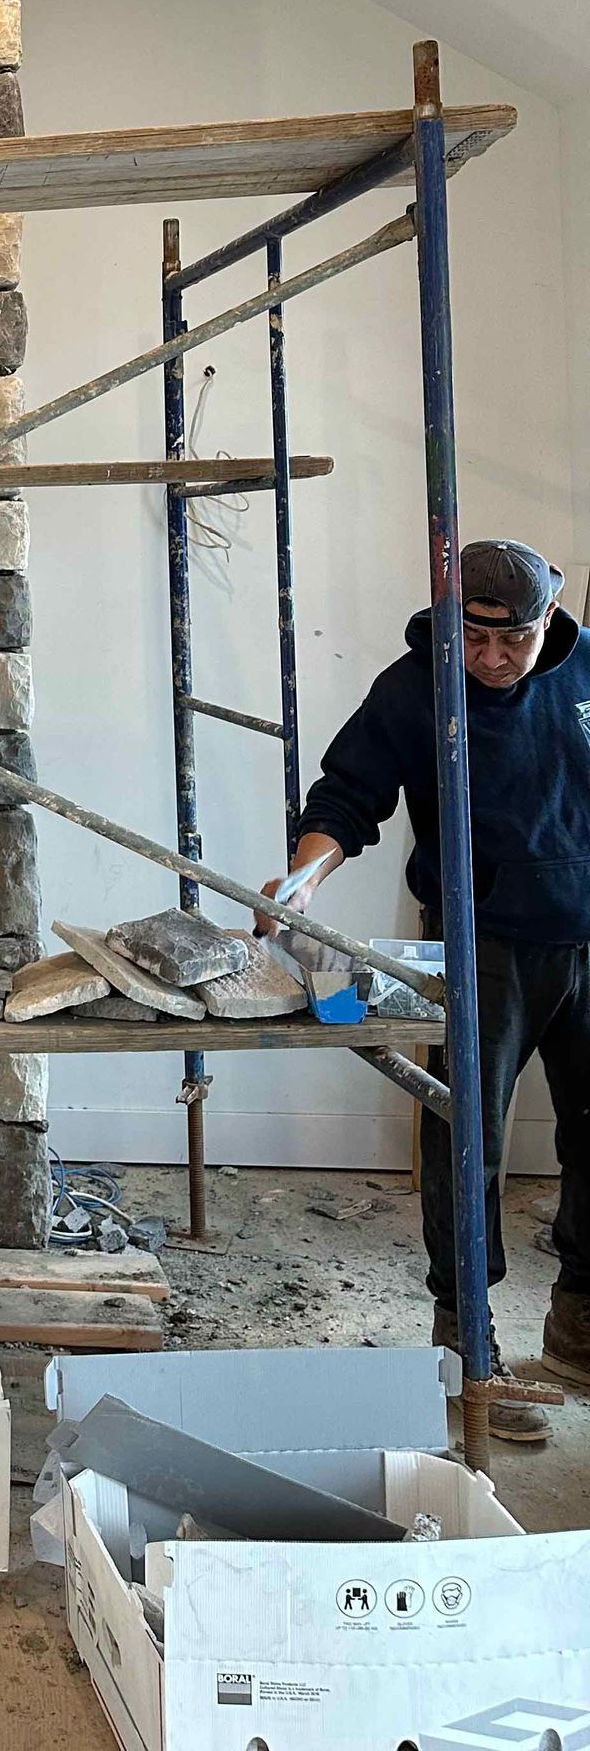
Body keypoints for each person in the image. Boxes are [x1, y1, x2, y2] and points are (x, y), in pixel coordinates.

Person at [269, 538, 590, 1447]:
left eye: (513, 641)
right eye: (475, 639)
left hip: (587, 936)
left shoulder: (584, 673)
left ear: (548, 622)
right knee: (467, 1137)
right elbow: (345, 796)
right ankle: (468, 1351)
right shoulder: (415, 688)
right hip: (482, 942)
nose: (492, 660)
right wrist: (303, 880)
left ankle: (577, 1331)